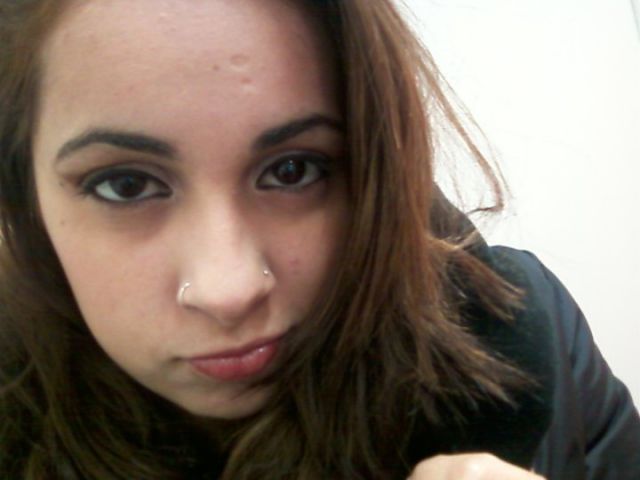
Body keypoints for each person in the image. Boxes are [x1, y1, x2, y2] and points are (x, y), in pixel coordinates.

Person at [0, 0, 638, 478]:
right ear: (24, 196)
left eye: (292, 170)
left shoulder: (530, 331)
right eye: (126, 185)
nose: (229, 291)